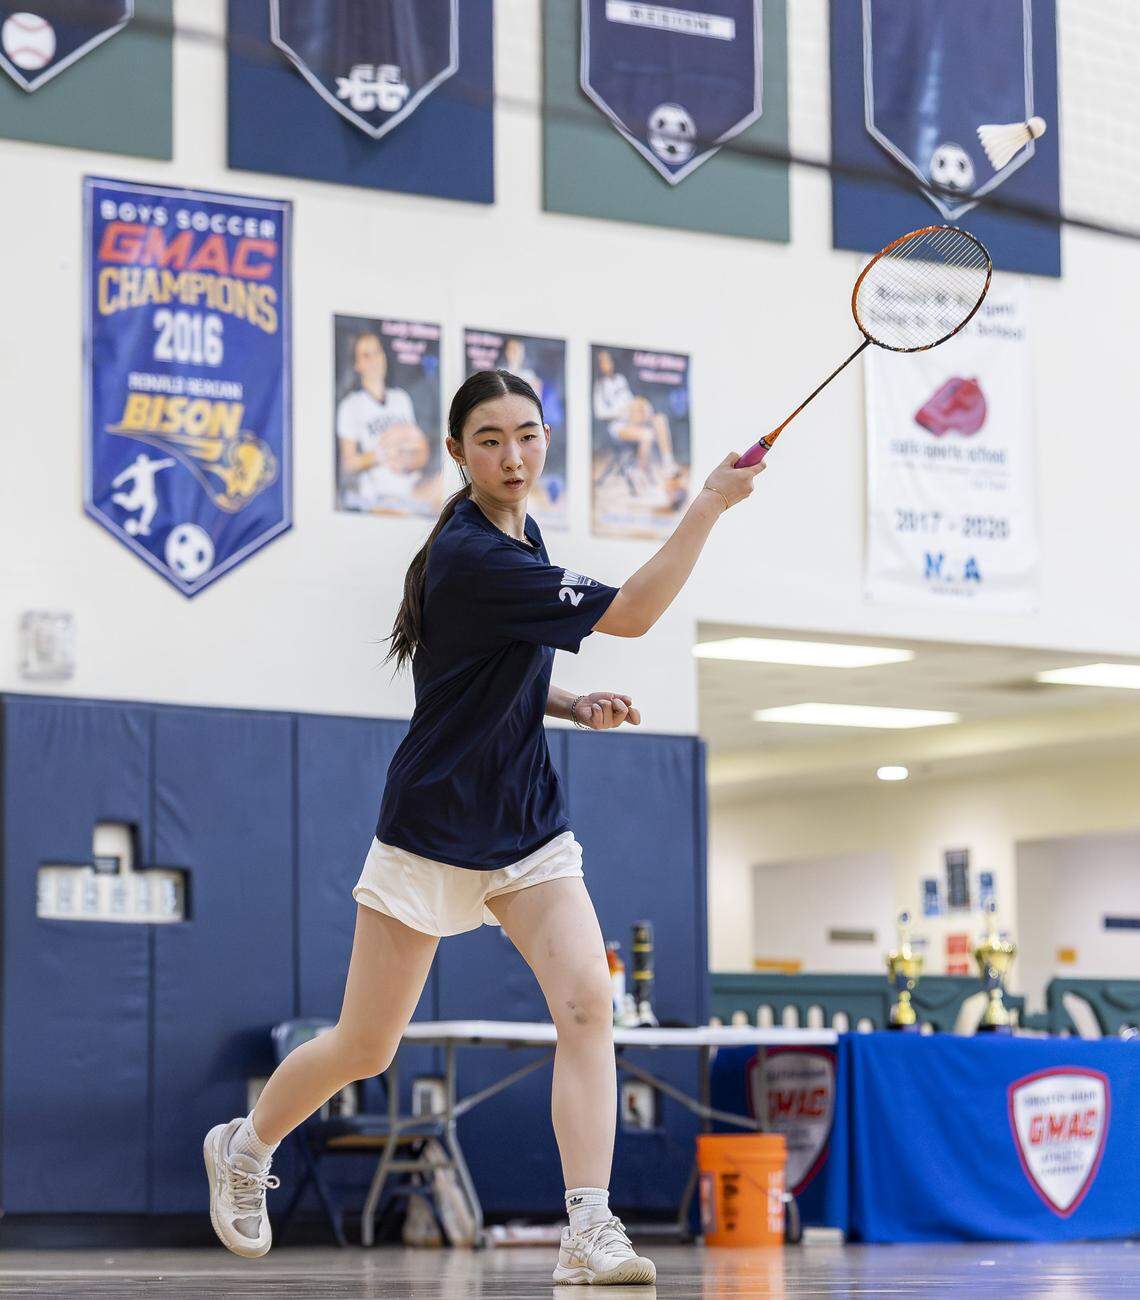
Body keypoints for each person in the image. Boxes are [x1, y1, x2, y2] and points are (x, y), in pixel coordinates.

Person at [203, 369, 764, 1284]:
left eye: (530, 434)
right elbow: (635, 612)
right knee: (365, 1045)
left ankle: (588, 1229)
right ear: (458, 453)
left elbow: (493, 672)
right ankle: (244, 1144)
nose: (515, 455)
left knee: (588, 1003)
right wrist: (706, 502)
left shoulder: (523, 535)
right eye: (492, 439)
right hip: (433, 828)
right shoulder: (472, 555)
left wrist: (572, 701)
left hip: (528, 828)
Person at [336, 329, 434, 514]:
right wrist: (383, 454)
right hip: (380, 498)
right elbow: (348, 464)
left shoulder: (401, 398)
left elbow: (416, 445)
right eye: (366, 355)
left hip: (412, 490)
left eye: (377, 352)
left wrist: (415, 453)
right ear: (357, 364)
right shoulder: (350, 405)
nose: (374, 359)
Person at [592, 349, 678, 479]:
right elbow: (599, 413)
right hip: (618, 426)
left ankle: (668, 463)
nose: (607, 364)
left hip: (632, 419)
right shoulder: (599, 386)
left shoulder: (620, 379)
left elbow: (630, 400)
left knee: (660, 419)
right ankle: (638, 472)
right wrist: (621, 411)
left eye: (608, 360)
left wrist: (640, 405)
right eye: (603, 361)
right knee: (647, 435)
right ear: (598, 365)